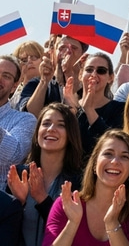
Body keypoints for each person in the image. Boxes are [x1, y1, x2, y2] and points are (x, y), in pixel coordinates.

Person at [42, 129, 129, 246]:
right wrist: (72, 223)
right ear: (94, 164)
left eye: (124, 157)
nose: (114, 161)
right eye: (108, 154)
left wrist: (112, 223)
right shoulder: (65, 205)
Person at [6, 102, 83, 246]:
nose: (51, 129)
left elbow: (74, 232)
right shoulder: (18, 173)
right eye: (46, 123)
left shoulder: (78, 181)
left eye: (61, 125)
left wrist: (42, 199)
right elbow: (6, 229)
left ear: (71, 134)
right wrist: (18, 203)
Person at [65, 52, 125, 154]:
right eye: (89, 69)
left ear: (110, 78)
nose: (93, 74)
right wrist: (72, 111)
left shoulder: (120, 109)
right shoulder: (68, 106)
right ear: (80, 74)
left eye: (101, 71)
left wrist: (89, 110)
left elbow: (114, 145)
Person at [0, 56, 36, 181]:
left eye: (6, 76)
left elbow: (15, 155)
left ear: (14, 86)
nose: (0, 78)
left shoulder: (25, 120)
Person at [10, 42, 45, 110]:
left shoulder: (53, 86)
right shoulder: (11, 91)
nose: (29, 61)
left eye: (34, 57)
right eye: (24, 60)